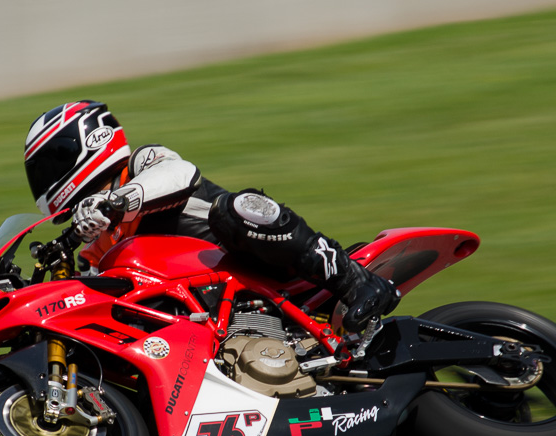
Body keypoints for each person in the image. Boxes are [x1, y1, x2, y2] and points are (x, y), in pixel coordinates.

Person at [23, 100, 399, 332]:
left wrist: (115, 201)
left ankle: (355, 281)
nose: (44, 182)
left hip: (263, 266)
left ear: (91, 142)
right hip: (212, 315)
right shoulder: (95, 247)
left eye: (49, 164)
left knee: (234, 209)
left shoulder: (143, 163)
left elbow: (181, 174)